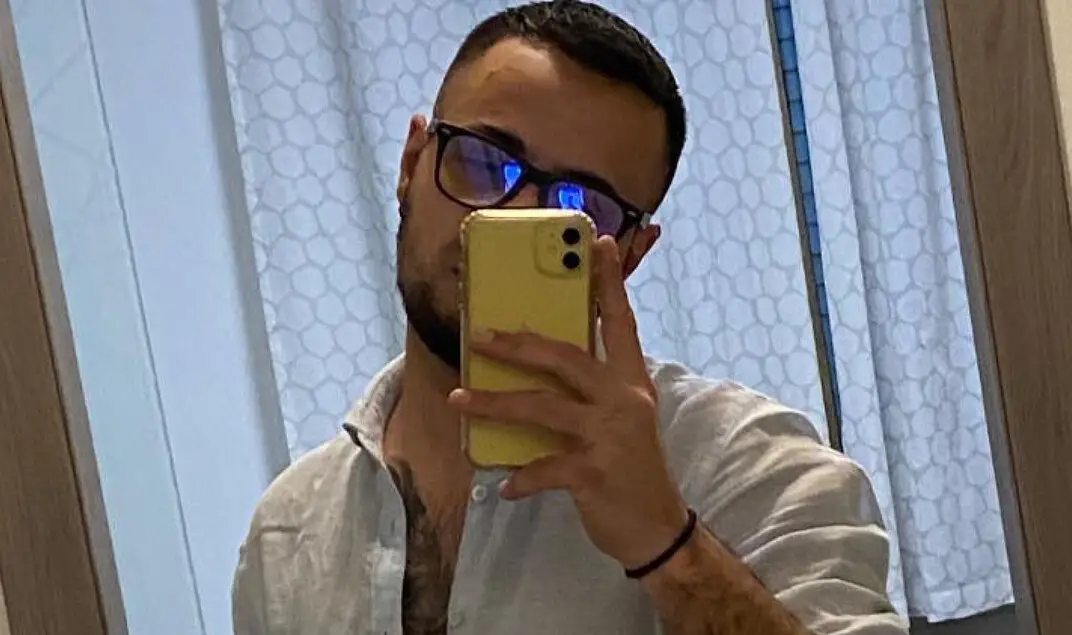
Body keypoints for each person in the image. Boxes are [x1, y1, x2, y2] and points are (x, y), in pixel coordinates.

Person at [232, 2, 909, 634]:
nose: (511, 213)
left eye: (579, 205)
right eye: (483, 160)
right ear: (411, 165)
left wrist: (669, 546)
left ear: (629, 253)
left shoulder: (756, 472)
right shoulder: (289, 531)